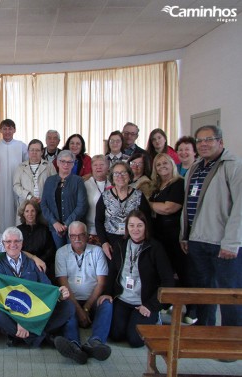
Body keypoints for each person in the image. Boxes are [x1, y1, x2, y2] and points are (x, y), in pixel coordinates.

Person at [0, 227, 88, 364]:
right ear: (3, 244)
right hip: (14, 314)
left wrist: (59, 295)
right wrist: (21, 321)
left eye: (16, 241)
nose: (12, 245)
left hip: (36, 312)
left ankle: (26, 337)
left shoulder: (33, 263)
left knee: (68, 307)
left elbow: (47, 288)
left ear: (22, 243)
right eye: (8, 241)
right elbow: (3, 297)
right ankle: (48, 340)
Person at [180, 125, 242, 327]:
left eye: (209, 139)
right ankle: (204, 331)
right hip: (198, 240)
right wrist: (185, 235)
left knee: (229, 292)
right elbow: (188, 205)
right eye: (199, 140)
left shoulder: (233, 166)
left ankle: (232, 340)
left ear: (220, 142)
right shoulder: (195, 168)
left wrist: (232, 242)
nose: (203, 144)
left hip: (223, 242)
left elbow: (240, 208)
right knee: (204, 290)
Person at [99, 211, 174, 347]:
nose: (135, 229)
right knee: (115, 335)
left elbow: (168, 281)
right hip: (123, 299)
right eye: (131, 225)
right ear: (127, 227)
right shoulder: (120, 245)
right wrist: (108, 293)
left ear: (146, 226)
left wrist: (152, 305)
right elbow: (113, 272)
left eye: (139, 225)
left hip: (144, 302)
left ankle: (155, 317)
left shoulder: (155, 248)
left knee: (135, 340)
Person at [55, 221, 112, 361]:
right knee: (67, 307)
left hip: (92, 299)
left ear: (87, 236)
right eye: (73, 235)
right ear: (68, 237)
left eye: (81, 235)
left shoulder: (97, 251)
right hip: (71, 299)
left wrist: (85, 308)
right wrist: (79, 311)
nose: (77, 238)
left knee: (107, 304)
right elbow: (63, 283)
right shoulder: (61, 252)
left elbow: (101, 283)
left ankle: (95, 342)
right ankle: (73, 345)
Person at [149, 153, 194, 323]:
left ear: (172, 164)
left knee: (183, 272)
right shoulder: (157, 186)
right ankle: (168, 302)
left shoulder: (178, 183)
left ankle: (191, 309)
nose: (162, 167)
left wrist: (150, 204)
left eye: (165, 163)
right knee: (166, 271)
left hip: (175, 235)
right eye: (158, 164)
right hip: (159, 235)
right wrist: (156, 206)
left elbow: (169, 208)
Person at [95, 161, 151, 261]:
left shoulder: (139, 195)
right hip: (111, 243)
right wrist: (104, 242)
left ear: (129, 176)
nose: (120, 176)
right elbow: (98, 221)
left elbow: (148, 220)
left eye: (123, 173)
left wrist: (143, 242)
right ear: (112, 177)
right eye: (116, 173)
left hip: (134, 241)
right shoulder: (105, 196)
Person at [41, 150, 88, 249]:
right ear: (57, 163)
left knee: (75, 253)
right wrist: (54, 222)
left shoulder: (78, 181)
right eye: (63, 161)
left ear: (73, 164)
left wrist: (66, 224)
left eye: (69, 162)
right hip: (55, 228)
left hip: (74, 227)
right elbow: (44, 204)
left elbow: (82, 206)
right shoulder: (49, 181)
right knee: (60, 255)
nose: (66, 164)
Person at [0, 119, 28, 232]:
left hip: (16, 183)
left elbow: (27, 164)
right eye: (4, 129)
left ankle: (14, 235)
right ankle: (0, 234)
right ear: (0, 130)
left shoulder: (21, 146)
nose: (7, 131)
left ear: (14, 130)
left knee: (15, 209)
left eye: (10, 128)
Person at [13, 139, 56, 211]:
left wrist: (45, 198)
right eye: (32, 150)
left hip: (45, 204)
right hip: (25, 205)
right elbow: (16, 186)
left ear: (42, 152)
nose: (34, 152)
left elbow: (55, 184)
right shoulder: (21, 167)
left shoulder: (49, 166)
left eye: (37, 150)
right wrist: (29, 197)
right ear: (28, 151)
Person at [17, 199, 55, 278]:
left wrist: (39, 262)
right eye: (27, 211)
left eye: (32, 211)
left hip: (42, 266)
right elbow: (16, 251)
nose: (30, 214)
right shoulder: (18, 230)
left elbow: (50, 251)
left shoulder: (45, 230)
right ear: (23, 214)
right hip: (23, 267)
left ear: (36, 212)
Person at [84, 155, 110, 245]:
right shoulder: (85, 185)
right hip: (91, 230)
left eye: (102, 164)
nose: (98, 167)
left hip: (109, 230)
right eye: (95, 165)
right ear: (91, 167)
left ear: (107, 167)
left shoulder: (113, 183)